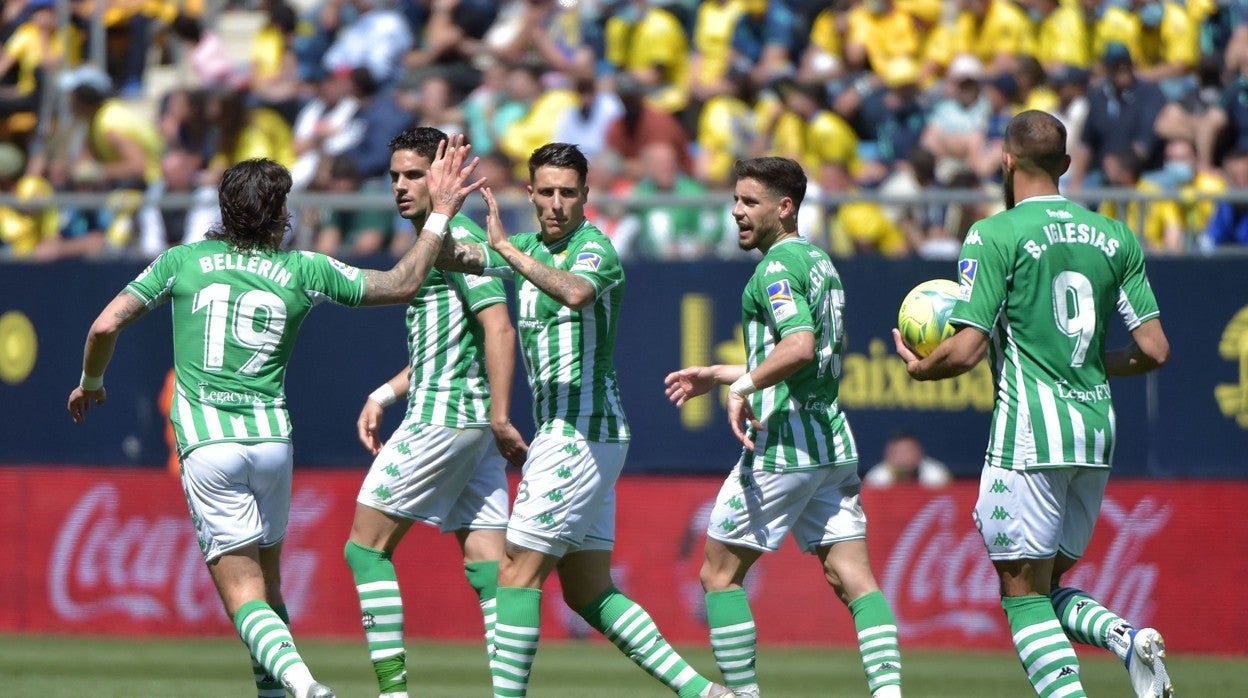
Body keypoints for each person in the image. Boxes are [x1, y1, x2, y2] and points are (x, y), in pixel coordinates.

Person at [66, 137, 483, 698]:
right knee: (270, 585)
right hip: (271, 443)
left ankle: (303, 685)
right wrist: (439, 219)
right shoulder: (302, 269)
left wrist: (92, 382)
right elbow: (401, 283)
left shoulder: (181, 261)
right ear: (278, 214)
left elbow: (102, 327)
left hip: (210, 446)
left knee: (242, 596)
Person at [434, 142, 733, 698]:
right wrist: (438, 208)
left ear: (586, 197)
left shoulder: (595, 248)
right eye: (545, 191)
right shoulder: (520, 245)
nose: (555, 203)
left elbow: (574, 292)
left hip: (581, 433)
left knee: (516, 573)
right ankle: (704, 692)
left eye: (567, 192)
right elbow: (454, 257)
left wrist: (507, 252)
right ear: (528, 194)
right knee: (588, 591)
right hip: (578, 436)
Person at [891, 110, 1173, 698]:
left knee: (1020, 598)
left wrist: (922, 368)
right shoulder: (1115, 236)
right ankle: (1125, 639)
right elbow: (1154, 349)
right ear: (1067, 165)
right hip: (1095, 433)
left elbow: (966, 350)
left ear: (1006, 160)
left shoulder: (994, 234)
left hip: (1029, 433)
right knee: (1041, 591)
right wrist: (1094, 361)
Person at [663, 156, 904, 698]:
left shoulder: (772, 268)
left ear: (784, 207)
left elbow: (798, 347)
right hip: (832, 442)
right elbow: (800, 357)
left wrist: (742, 388)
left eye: (750, 202)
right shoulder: (819, 262)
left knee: (718, 577)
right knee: (854, 580)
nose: (737, 213)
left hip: (785, 445)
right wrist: (723, 372)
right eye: (735, 201)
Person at [344, 126, 529, 698]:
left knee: (364, 548)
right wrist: (383, 393)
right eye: (394, 175)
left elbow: (499, 325)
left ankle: (394, 694)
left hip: (445, 419)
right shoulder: (435, 241)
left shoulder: (455, 240)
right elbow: (439, 346)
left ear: (444, 177)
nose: (400, 186)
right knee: (489, 567)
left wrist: (503, 416)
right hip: (467, 428)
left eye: (415, 174)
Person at [863, 430, 953, 487]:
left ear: (920, 452)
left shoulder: (937, 474)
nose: (904, 457)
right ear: (888, 455)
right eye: (898, 452)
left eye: (908, 451)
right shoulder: (876, 478)